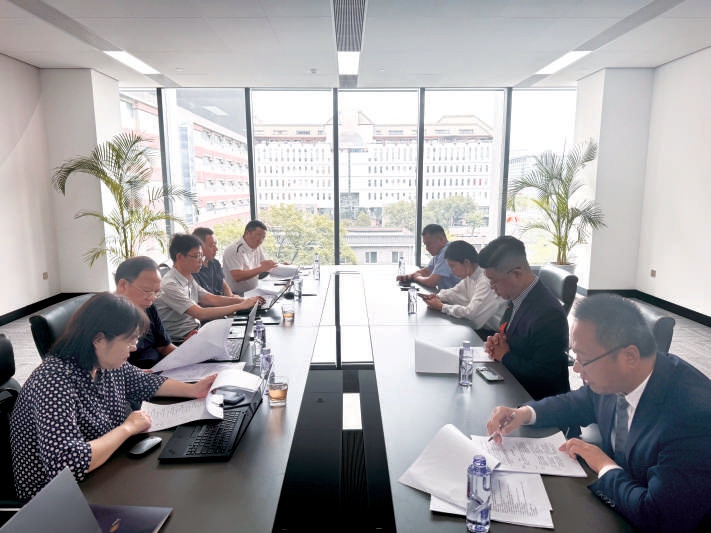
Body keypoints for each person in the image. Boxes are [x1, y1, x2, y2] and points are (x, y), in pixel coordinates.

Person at [486, 294, 711, 532]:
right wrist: (523, 413)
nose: (576, 368)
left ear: (629, 356)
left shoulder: (692, 416)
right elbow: (577, 402)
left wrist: (603, 464)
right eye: (575, 356)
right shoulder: (615, 379)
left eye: (584, 359)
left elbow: (658, 516)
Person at [9, 293, 218, 500]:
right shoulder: (53, 381)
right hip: (56, 500)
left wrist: (193, 390)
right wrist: (127, 428)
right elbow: (68, 465)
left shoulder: (103, 362)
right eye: (129, 340)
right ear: (98, 339)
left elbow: (145, 382)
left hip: (102, 471)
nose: (134, 347)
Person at [479, 235, 569, 400]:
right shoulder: (517, 297)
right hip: (513, 385)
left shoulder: (549, 315)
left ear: (516, 274)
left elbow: (544, 375)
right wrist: (499, 342)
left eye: (494, 281)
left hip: (536, 402)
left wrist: (504, 356)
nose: (492, 288)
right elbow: (516, 338)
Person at [155, 233, 263, 343]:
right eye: (196, 256)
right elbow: (201, 313)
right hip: (179, 342)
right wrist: (240, 306)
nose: (201, 260)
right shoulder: (170, 285)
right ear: (179, 257)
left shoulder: (188, 278)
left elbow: (212, 299)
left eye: (201, 256)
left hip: (196, 333)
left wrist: (245, 300)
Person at [420, 240, 505, 331]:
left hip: (492, 333)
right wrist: (437, 297)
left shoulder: (486, 280)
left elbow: (472, 315)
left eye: (453, 266)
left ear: (466, 262)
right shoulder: (470, 277)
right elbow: (454, 292)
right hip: (482, 329)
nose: (452, 271)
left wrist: (441, 307)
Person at [114, 256, 177, 369]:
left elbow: (164, 347)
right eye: (147, 291)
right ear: (123, 285)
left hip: (159, 369)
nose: (152, 298)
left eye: (156, 292)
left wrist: (190, 356)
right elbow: (110, 369)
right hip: (133, 376)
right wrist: (143, 375)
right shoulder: (106, 316)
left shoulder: (149, 308)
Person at [395, 224, 459, 290]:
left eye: (429, 244)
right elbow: (426, 271)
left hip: (456, 296)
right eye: (425, 245)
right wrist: (408, 277)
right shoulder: (439, 254)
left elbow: (431, 282)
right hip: (448, 294)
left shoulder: (448, 252)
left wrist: (417, 278)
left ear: (441, 239)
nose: (427, 248)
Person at [222, 220, 278, 295]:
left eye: (263, 237)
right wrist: (261, 269)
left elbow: (263, 264)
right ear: (247, 233)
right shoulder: (234, 249)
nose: (261, 240)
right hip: (235, 295)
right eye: (258, 235)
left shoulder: (256, 246)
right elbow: (237, 276)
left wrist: (277, 265)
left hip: (253, 291)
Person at [192, 227, 233, 296]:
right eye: (212, 246)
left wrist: (232, 296)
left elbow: (224, 285)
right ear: (199, 247)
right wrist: (234, 301)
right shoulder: (192, 269)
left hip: (222, 300)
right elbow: (206, 299)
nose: (216, 249)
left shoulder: (215, 263)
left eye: (215, 245)